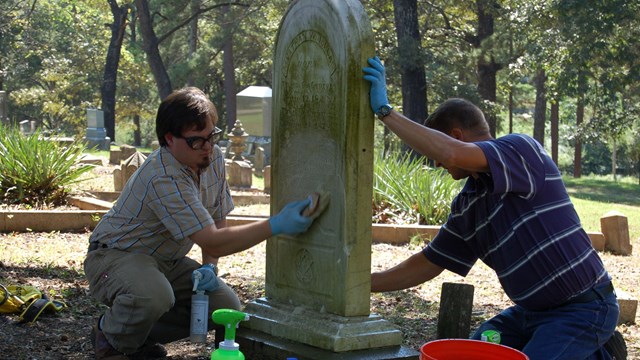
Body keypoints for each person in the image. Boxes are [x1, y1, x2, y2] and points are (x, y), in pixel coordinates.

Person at [363, 57, 627, 360]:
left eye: (434, 153)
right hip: (527, 314)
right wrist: (361, 286)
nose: (436, 163)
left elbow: (449, 152)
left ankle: (598, 350)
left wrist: (385, 112)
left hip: (584, 308)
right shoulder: (467, 205)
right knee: (472, 353)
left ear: (457, 135)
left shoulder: (521, 151)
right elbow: (429, 262)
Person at [84, 87, 315, 359]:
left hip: (167, 261)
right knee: (154, 295)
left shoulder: (211, 157)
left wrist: (210, 267)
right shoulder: (164, 175)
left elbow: (217, 219)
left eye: (211, 136)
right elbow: (212, 239)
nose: (207, 146)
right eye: (196, 140)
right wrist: (274, 225)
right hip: (115, 256)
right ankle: (110, 338)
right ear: (169, 139)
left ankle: (138, 337)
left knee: (222, 305)